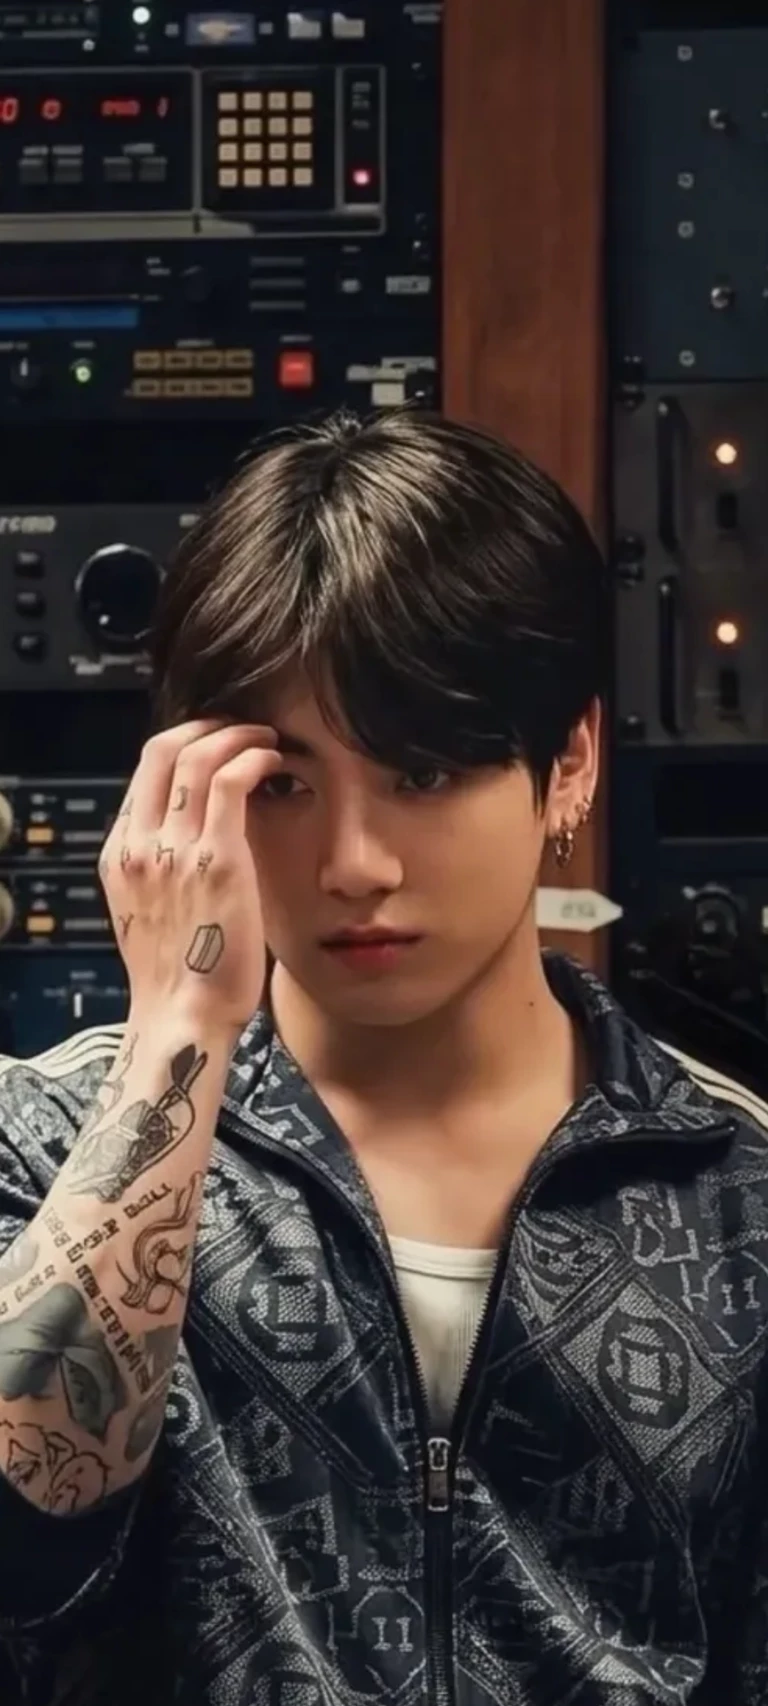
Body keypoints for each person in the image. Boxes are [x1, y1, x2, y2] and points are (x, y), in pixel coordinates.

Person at [0, 408, 766, 1706]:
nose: (354, 863)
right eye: (282, 785)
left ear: (569, 764)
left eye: (423, 771)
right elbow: (21, 1544)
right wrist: (178, 1032)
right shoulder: (45, 1141)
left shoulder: (736, 1191)